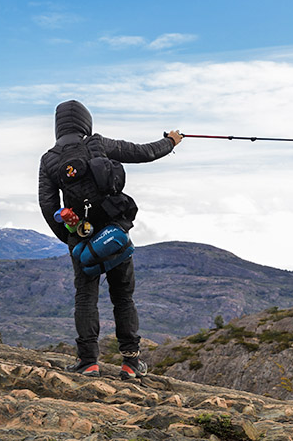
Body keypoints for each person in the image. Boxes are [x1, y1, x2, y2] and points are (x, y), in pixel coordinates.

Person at [38, 99, 183, 379]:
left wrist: (71, 239)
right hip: (114, 232)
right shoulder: (98, 144)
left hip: (81, 235)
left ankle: (88, 361)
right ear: (85, 122)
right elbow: (145, 152)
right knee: (123, 298)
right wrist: (171, 142)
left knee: (85, 298)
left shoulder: (49, 160)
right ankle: (130, 362)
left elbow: (47, 205)